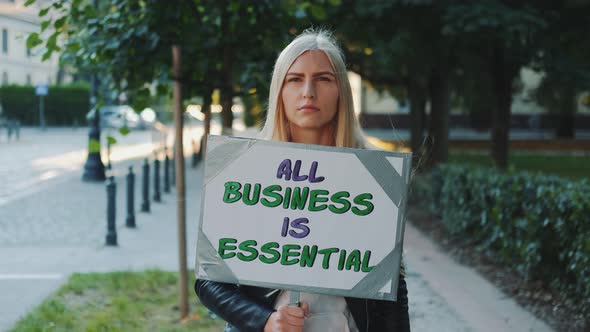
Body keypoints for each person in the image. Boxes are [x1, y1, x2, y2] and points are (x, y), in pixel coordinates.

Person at [195, 29, 410, 332]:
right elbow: (210, 282)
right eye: (294, 79)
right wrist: (264, 320)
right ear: (279, 90)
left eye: (323, 79)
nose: (308, 91)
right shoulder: (244, 168)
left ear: (341, 92)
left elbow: (392, 287)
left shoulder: (375, 176)